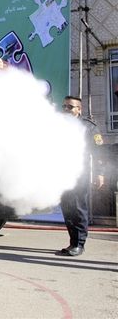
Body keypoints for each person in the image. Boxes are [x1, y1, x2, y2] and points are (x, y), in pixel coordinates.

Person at [57, 96, 104, 256]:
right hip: (62, 173)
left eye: (70, 107)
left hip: (80, 173)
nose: (66, 110)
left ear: (79, 109)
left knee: (78, 208)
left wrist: (100, 174)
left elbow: (98, 153)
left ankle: (79, 244)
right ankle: (72, 243)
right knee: (67, 208)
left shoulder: (89, 127)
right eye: (64, 106)